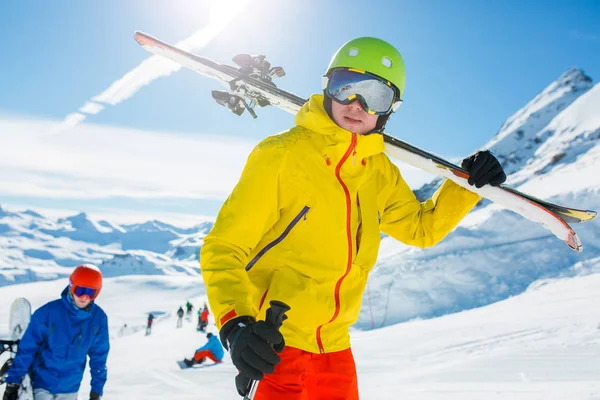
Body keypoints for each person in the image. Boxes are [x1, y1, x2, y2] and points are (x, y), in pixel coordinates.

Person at [200, 37, 507, 400]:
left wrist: (467, 187)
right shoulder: (281, 155)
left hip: (336, 350)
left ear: (389, 110)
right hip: (275, 343)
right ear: (327, 87)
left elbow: (420, 229)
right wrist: (236, 325)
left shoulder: (378, 170)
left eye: (375, 97)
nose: (357, 105)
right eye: (346, 87)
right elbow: (223, 248)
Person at [3, 264, 109, 400]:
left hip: (70, 389)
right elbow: (27, 349)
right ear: (71, 286)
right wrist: (13, 382)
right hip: (41, 385)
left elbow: (99, 358)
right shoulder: (48, 313)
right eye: (80, 290)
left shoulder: (98, 319)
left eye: (90, 293)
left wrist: (96, 391)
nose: (84, 297)